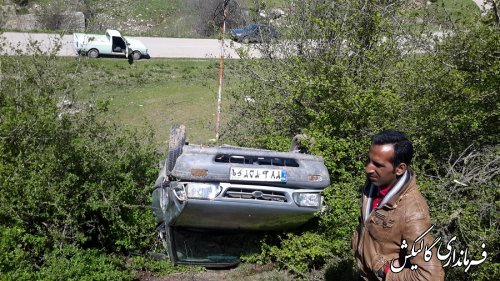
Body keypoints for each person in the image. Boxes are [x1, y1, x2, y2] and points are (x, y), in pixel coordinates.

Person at [352, 130, 444, 281]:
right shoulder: (374, 184)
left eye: (378, 165)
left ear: (400, 169)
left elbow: (431, 276)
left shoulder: (413, 212)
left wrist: (386, 271)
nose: (368, 169)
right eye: (368, 161)